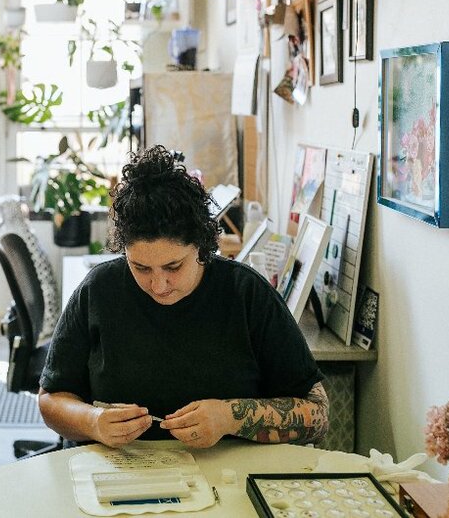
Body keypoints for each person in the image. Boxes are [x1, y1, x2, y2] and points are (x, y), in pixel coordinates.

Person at [38, 145, 329, 449]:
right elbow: (51, 399)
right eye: (140, 267)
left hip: (224, 476)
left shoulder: (247, 295)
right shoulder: (99, 290)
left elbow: (318, 414)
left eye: (173, 266)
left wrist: (230, 417)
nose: (159, 285)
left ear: (202, 247)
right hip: (116, 476)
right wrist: (92, 421)